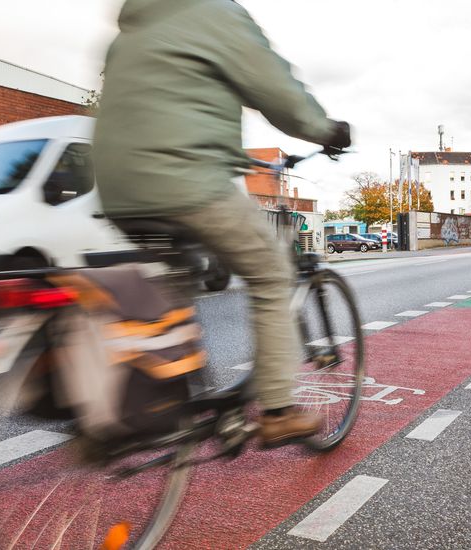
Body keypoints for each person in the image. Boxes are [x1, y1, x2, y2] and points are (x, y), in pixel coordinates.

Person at [92, 0, 351, 446]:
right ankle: (277, 411)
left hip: (116, 187)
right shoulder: (214, 12)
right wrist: (325, 130)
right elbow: (278, 92)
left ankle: (174, 397)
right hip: (182, 178)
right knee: (271, 271)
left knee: (173, 287)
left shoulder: (130, 29)